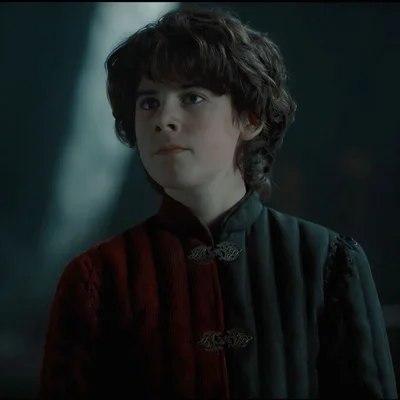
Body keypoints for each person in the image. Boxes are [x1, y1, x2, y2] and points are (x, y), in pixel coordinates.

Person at [39, 5, 398, 399]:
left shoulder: (331, 263)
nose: (163, 120)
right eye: (149, 103)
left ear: (250, 118)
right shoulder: (96, 278)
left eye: (192, 97)